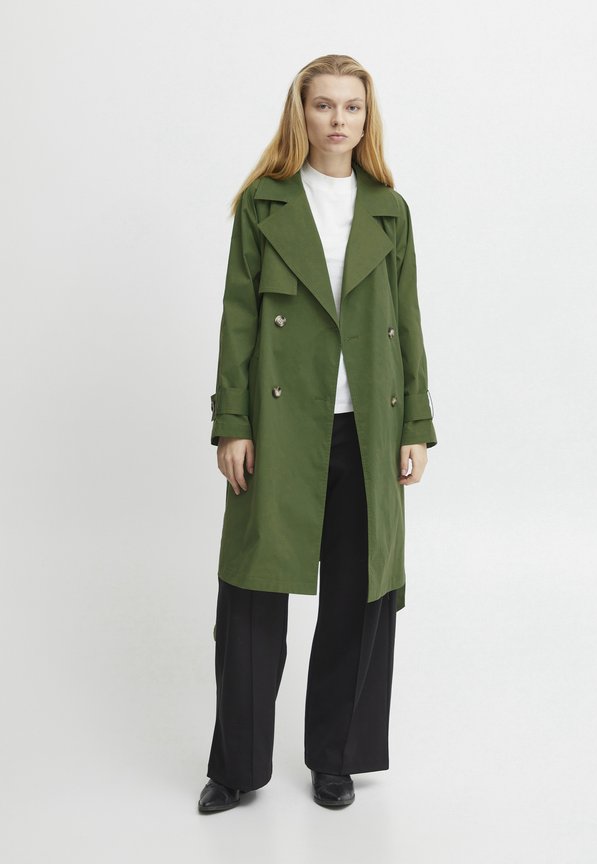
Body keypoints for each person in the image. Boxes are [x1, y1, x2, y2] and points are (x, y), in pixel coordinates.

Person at [198, 54, 437, 813]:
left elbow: (407, 323)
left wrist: (416, 425)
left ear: (368, 119)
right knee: (251, 598)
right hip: (279, 429)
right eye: (324, 105)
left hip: (368, 430)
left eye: (352, 107)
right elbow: (238, 319)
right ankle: (236, 768)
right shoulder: (264, 204)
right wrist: (231, 423)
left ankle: (335, 758)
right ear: (300, 113)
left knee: (359, 599)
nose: (339, 119)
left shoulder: (389, 210)